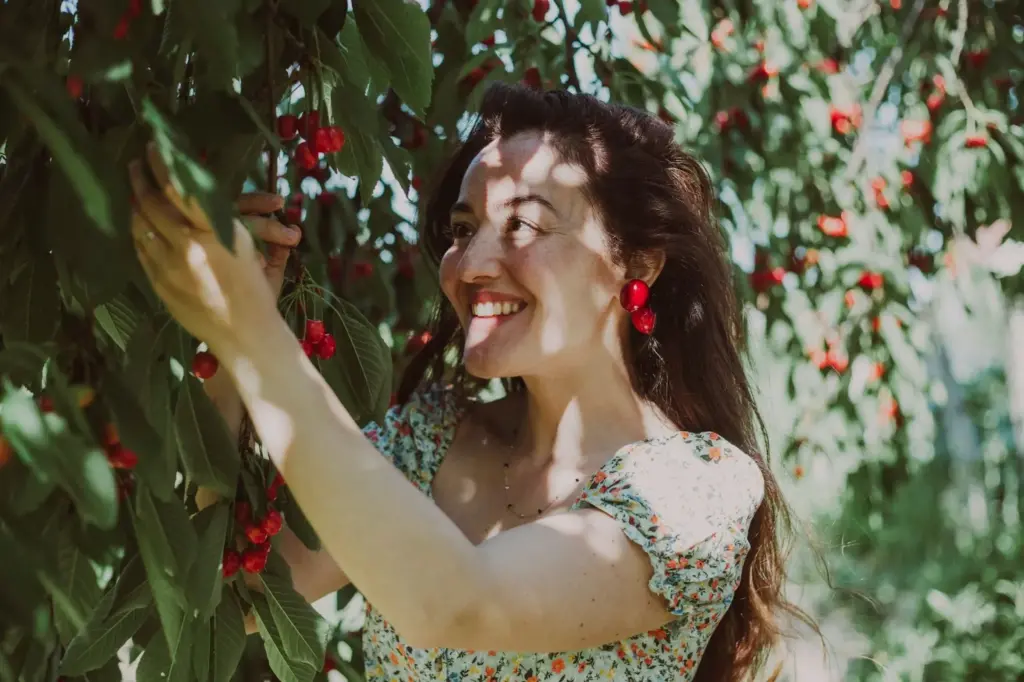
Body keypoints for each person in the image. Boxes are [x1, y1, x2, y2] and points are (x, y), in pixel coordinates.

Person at [131, 84, 813, 682]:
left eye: (522, 224)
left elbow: (455, 603)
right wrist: (224, 348)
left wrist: (253, 333)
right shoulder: (424, 441)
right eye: (463, 229)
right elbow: (225, 600)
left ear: (634, 262)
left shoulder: (696, 493)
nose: (473, 263)